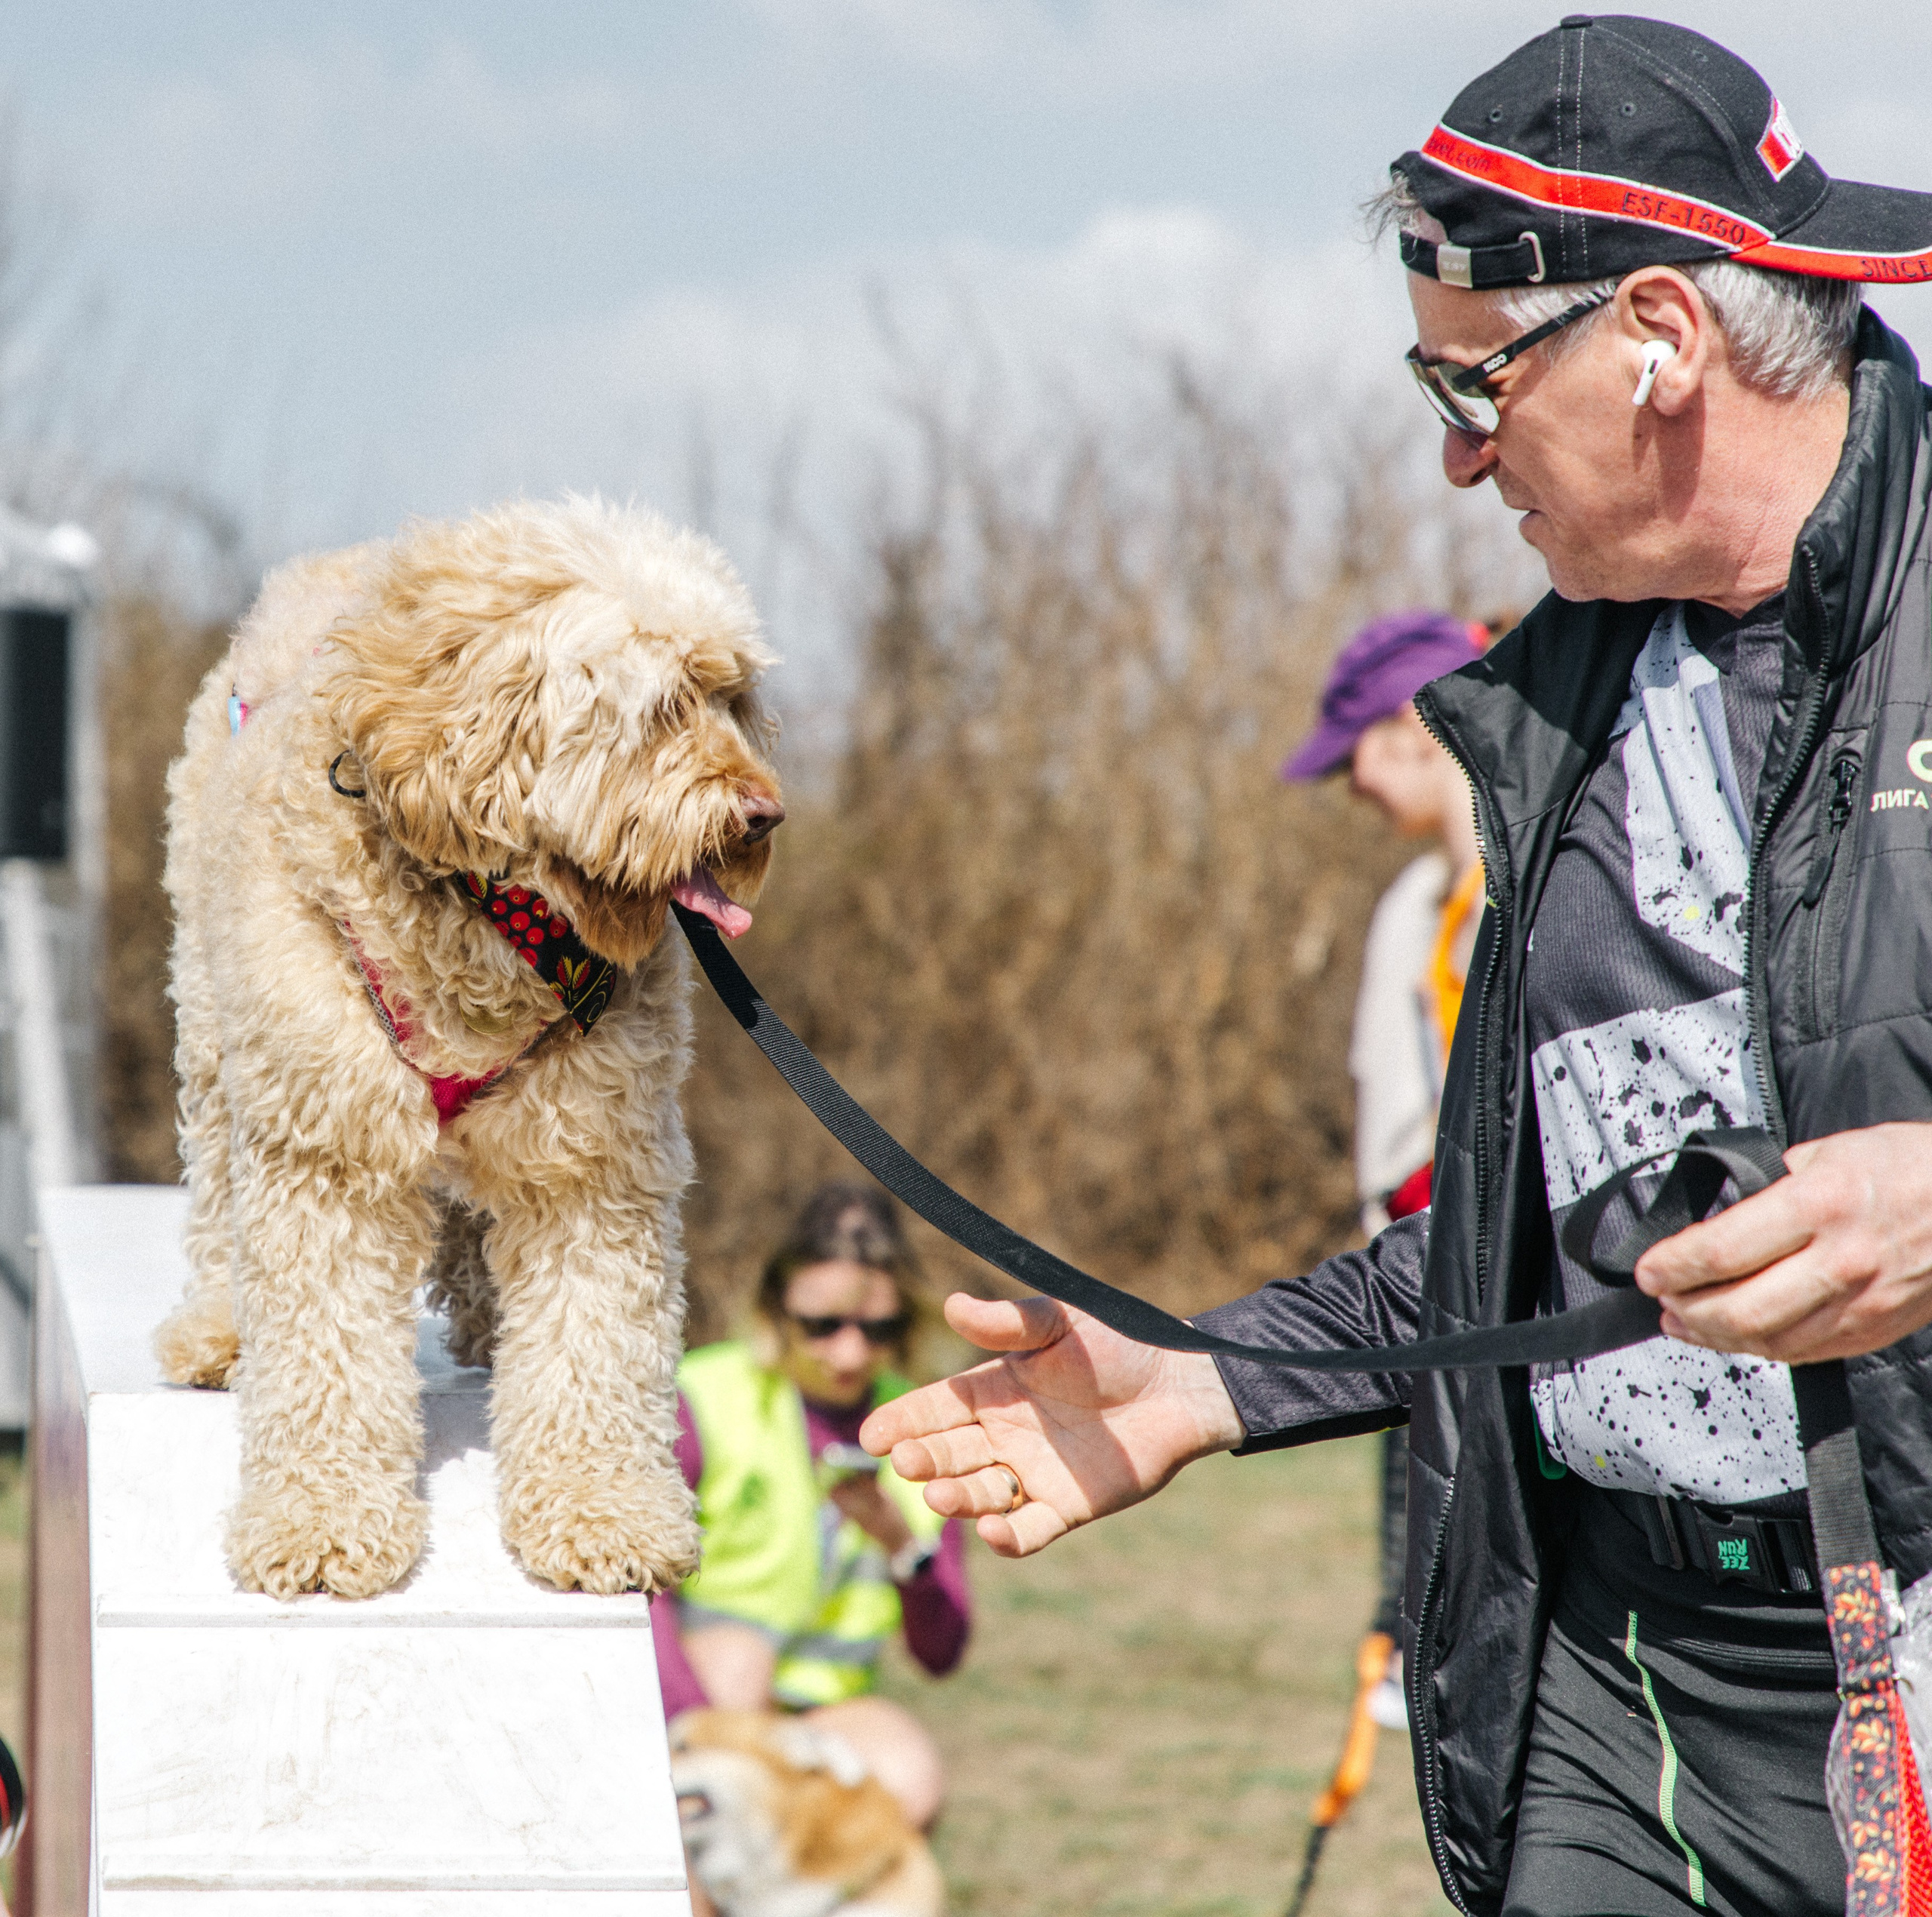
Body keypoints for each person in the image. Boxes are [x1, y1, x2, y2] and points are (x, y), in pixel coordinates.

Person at [862, 20, 1932, 1917]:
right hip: (1628, 1684)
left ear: (1658, 337)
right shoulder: (1548, 705)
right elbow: (1515, 1233)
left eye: (1473, 384)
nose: (1451, 458)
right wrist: (1201, 1382)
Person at [1281, 608, 1486, 1729]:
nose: (1352, 790)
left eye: (1355, 753)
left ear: (1418, 727)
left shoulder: (1521, 875)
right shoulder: (1427, 901)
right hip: (1423, 1296)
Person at [654, 1183, 970, 1835]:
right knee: (739, 1669)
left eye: (878, 1328)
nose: (849, 1354)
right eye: (822, 1325)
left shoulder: (930, 1430)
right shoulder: (701, 1398)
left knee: (907, 1772)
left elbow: (942, 1653)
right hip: (701, 1694)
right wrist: (697, 1727)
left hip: (822, 1714)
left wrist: (901, 1545)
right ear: (775, 1310)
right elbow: (638, 1589)